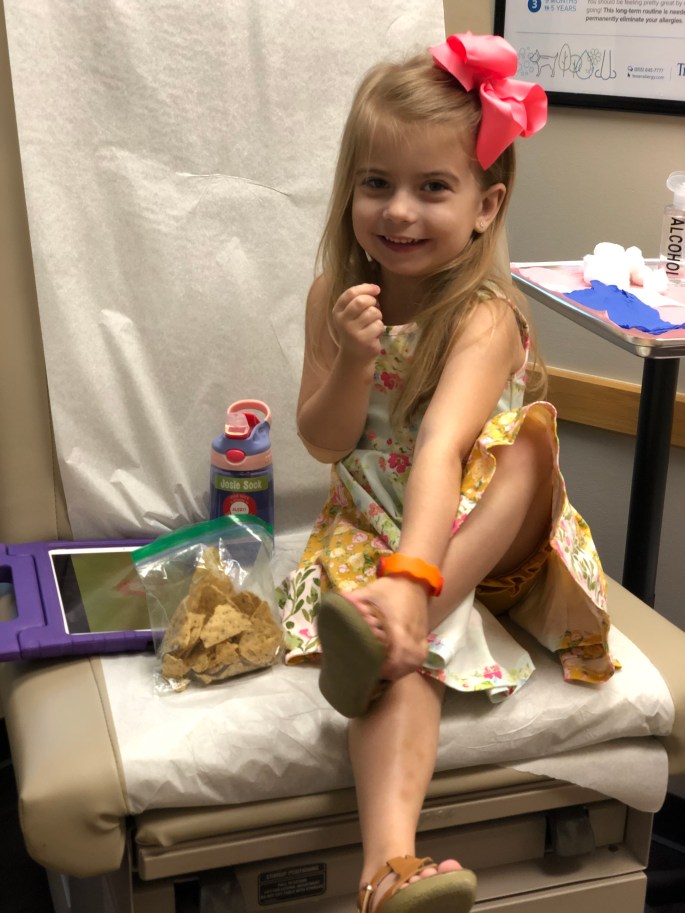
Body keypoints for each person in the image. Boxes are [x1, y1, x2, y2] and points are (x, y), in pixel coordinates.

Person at [280, 32, 615, 913]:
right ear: (349, 190)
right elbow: (322, 440)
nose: (398, 211)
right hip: (370, 524)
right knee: (405, 670)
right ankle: (386, 870)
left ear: (483, 205)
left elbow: (438, 451)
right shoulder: (333, 299)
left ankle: (404, 616)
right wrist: (353, 360)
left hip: (474, 539)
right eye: (375, 183)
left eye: (432, 187)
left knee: (528, 445)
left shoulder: (483, 316)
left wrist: (411, 580)